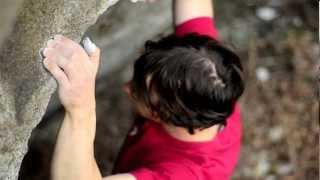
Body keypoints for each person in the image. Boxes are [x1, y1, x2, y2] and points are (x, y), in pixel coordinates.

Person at [42, 0, 245, 179]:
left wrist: (81, 108)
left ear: (162, 115)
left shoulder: (183, 173)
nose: (127, 88)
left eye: (140, 93)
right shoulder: (204, 73)